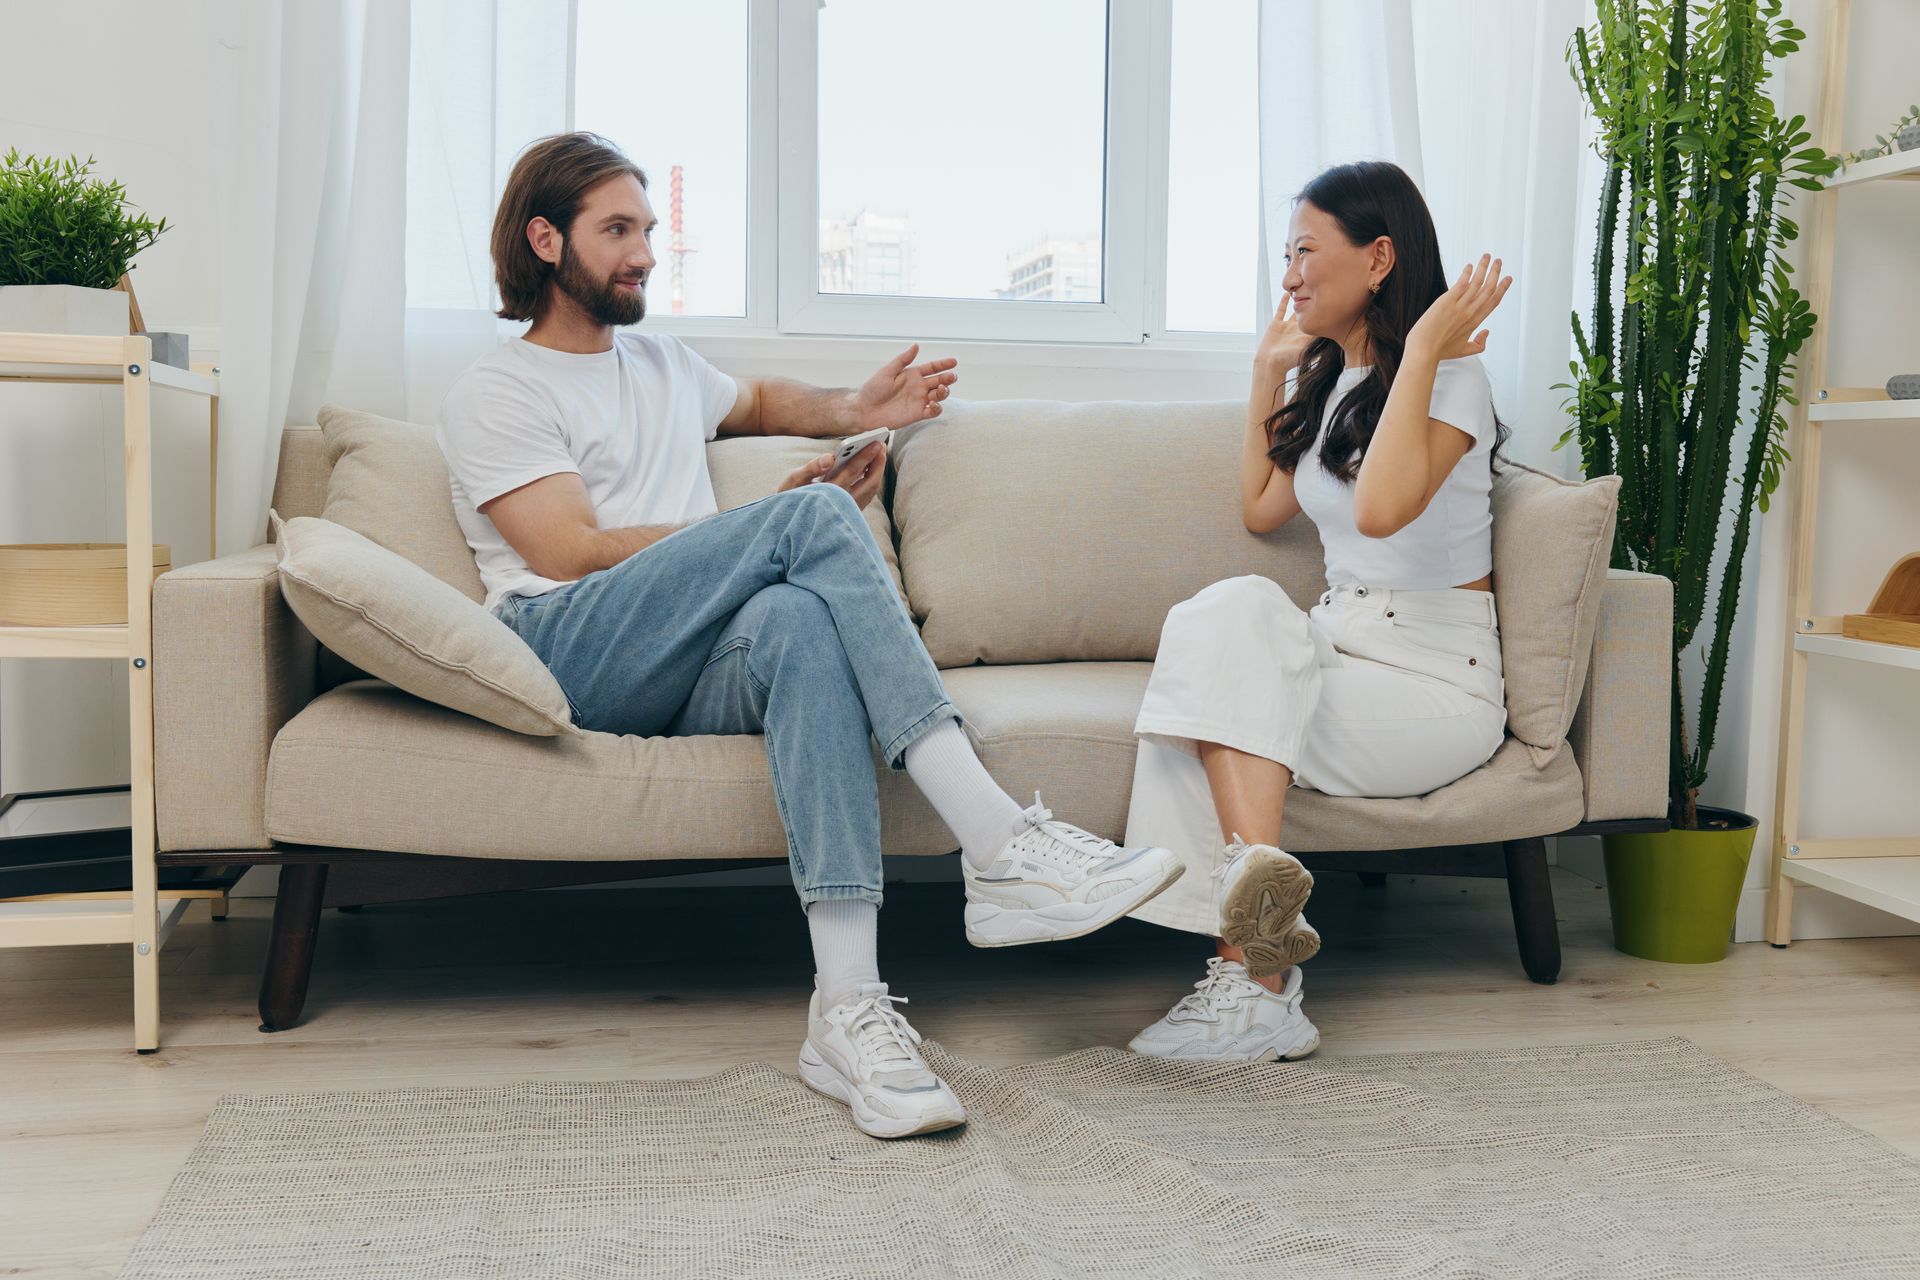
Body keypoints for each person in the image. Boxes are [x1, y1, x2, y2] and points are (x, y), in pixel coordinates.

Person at [434, 133, 1184, 1140]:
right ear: (545, 239)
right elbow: (565, 550)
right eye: (616, 231)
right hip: (569, 645)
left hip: (686, 659)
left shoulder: (661, 364)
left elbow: (758, 401)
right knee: (811, 520)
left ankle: (845, 1004)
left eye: (648, 230)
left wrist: (854, 408)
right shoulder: (500, 387)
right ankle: (1002, 842)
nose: (643, 252)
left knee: (797, 623)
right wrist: (752, 531)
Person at [1123, 160, 1513, 1064]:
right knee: (1226, 610)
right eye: (1285, 254)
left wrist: (1418, 352)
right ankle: (1261, 962)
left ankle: (1252, 984)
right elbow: (1261, 509)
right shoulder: (1331, 379)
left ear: (1379, 258)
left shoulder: (1450, 381)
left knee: (1202, 714)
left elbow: (1378, 511)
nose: (1289, 273)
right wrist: (1268, 372)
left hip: (1431, 682)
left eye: (1305, 251)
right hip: (1340, 638)